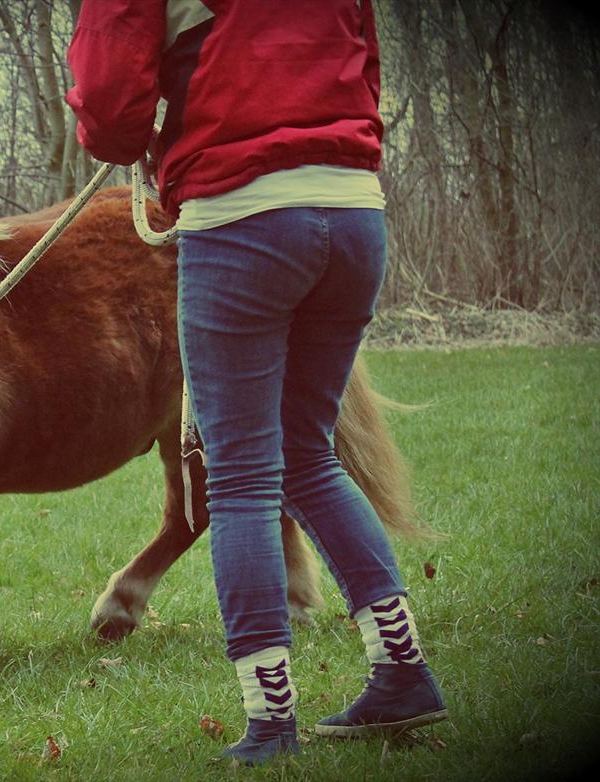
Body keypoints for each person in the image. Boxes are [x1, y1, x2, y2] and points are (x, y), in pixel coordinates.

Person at [66, 0, 447, 766]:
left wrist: (145, 134)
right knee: (307, 455)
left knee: (239, 475)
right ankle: (402, 670)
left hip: (242, 216)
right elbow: (367, 67)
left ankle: (271, 723)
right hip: (354, 215)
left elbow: (108, 110)